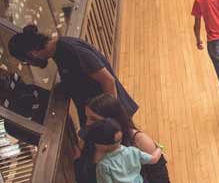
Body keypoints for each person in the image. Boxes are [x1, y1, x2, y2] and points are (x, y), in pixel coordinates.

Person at [86, 93, 199, 183]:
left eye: (93, 119)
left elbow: (160, 182)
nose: (87, 123)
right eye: (87, 118)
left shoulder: (136, 141)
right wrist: (159, 149)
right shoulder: (91, 141)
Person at [9, 24, 138, 125]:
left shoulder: (70, 50)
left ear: (32, 53)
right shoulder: (58, 52)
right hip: (103, 116)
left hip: (111, 116)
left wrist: (110, 117)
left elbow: (108, 80)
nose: (30, 64)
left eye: (26, 61)